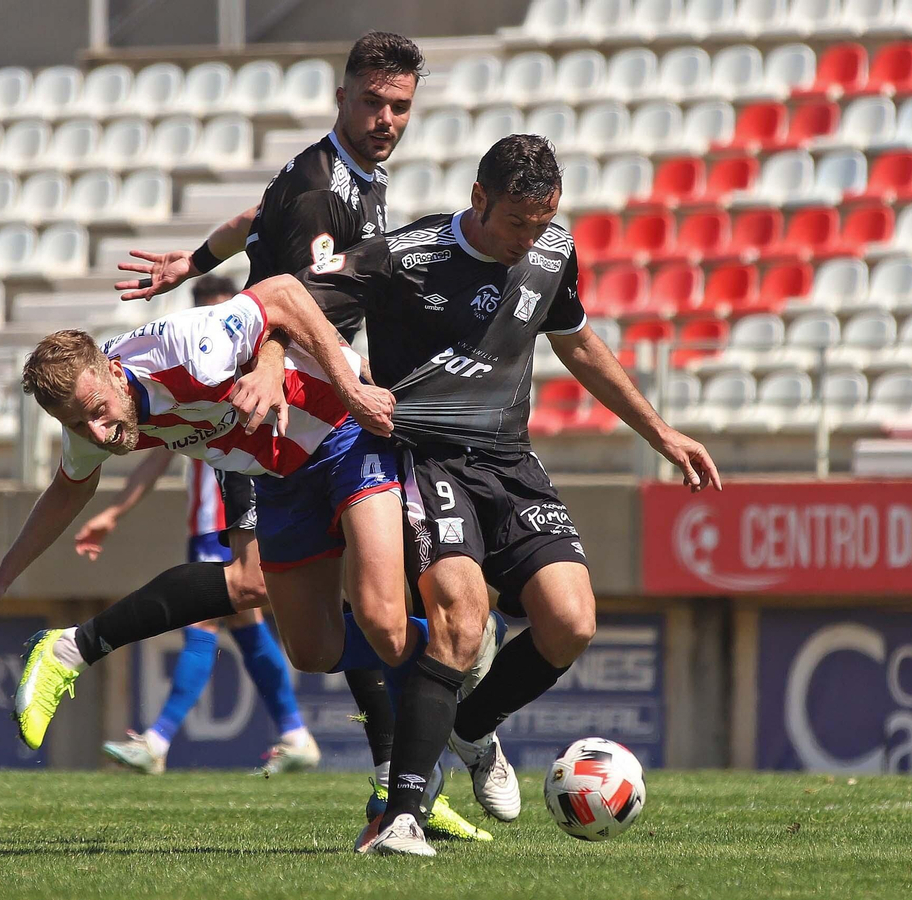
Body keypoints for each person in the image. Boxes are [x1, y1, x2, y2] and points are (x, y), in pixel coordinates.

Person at [278, 134, 724, 856]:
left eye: (544, 220)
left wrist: (661, 433)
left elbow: (577, 343)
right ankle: (402, 816)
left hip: (510, 462)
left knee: (571, 621)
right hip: (426, 459)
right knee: (460, 616)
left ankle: (471, 726)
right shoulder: (404, 256)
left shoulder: (553, 253)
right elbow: (293, 296)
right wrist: (319, 373)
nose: (530, 237)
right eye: (518, 221)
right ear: (479, 197)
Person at [112, 31, 490, 843]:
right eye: (373, 103)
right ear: (341, 96)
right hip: (281, 414)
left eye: (401, 107)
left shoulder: (345, 175)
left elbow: (258, 222)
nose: (387, 119)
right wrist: (272, 361)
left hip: (333, 422)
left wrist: (193, 259)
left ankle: (429, 730)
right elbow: (285, 292)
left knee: (384, 619)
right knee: (309, 639)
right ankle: (445, 675)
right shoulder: (322, 191)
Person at [76, 275, 319, 776]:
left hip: (233, 514)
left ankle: (159, 740)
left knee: (207, 621)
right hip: (208, 519)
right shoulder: (176, 387)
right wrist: (114, 512)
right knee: (249, 630)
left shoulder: (240, 366)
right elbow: (156, 455)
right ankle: (295, 734)